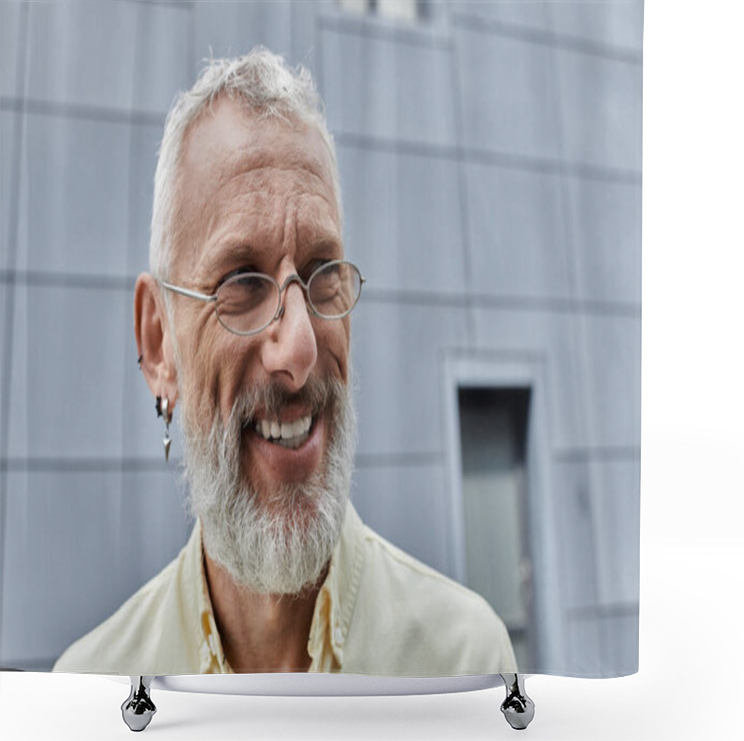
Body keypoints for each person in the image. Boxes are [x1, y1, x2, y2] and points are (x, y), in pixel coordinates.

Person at [54, 47, 517, 677]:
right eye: (242, 280)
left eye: (325, 272)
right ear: (159, 343)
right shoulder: (92, 697)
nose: (299, 347)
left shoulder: (465, 666)